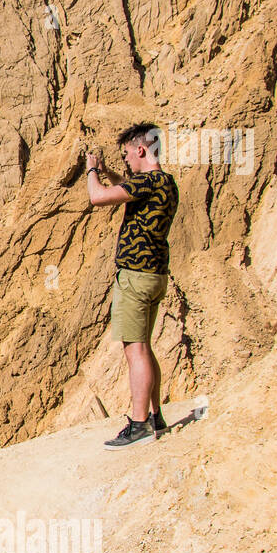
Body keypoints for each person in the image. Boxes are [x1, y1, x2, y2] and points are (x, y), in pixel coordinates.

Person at [86, 122, 179, 449]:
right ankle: (156, 416)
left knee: (135, 350)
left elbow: (98, 198)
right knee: (146, 347)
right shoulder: (165, 183)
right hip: (156, 275)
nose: (126, 161)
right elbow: (128, 188)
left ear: (141, 150)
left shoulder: (146, 181)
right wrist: (112, 174)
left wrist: (92, 172)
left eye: (127, 154)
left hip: (135, 277)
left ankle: (138, 424)